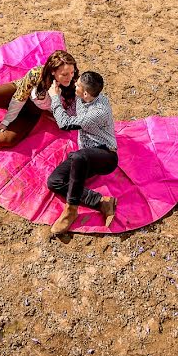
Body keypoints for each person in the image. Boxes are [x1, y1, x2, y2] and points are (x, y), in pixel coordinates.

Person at [46, 71, 118, 235]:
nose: (74, 85)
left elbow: (64, 124)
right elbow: (68, 86)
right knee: (54, 181)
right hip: (84, 156)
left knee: (78, 156)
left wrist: (54, 98)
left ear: (85, 93)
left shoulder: (98, 111)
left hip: (105, 156)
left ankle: (71, 211)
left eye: (77, 85)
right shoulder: (86, 95)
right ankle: (101, 202)